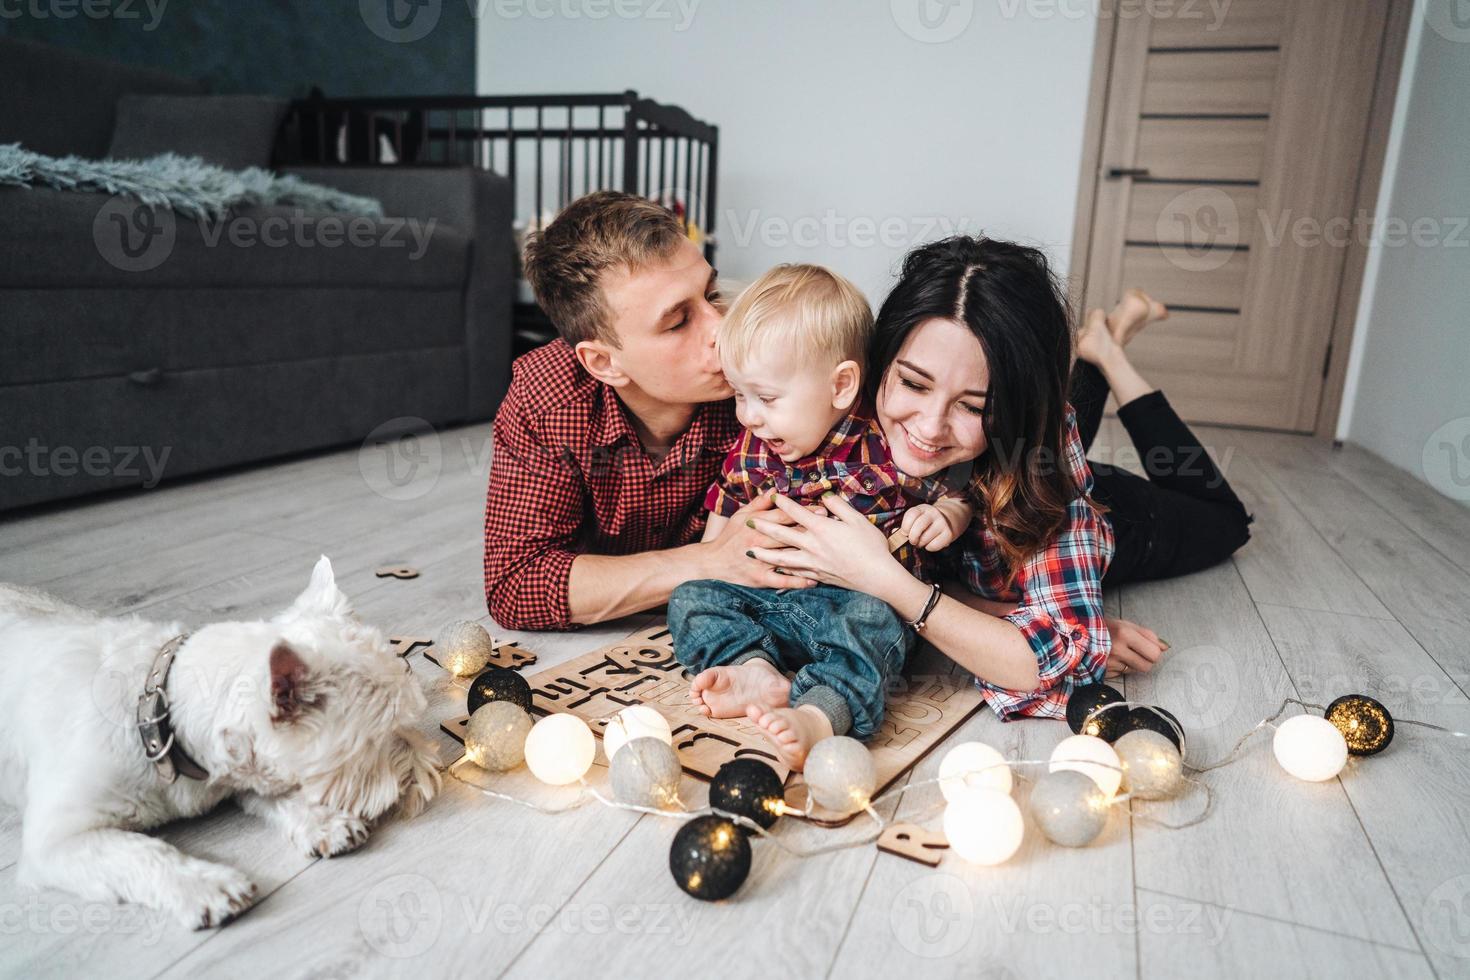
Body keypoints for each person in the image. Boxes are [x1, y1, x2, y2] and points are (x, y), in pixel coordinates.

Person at [741, 237, 1252, 717]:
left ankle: (1112, 356)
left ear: (1013, 412)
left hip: (1107, 513)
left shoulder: (1043, 461)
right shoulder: (839, 396)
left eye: (972, 405)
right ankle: (1099, 342)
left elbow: (1063, 668)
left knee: (1226, 523)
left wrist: (885, 580)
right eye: (914, 384)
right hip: (998, 465)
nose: (928, 426)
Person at [666, 264, 973, 768]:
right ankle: (755, 671)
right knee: (691, 599)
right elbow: (725, 502)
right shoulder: (754, 446)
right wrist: (710, 561)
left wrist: (947, 515)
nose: (747, 415)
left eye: (764, 398)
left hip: (850, 608)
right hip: (769, 603)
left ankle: (820, 713)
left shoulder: (883, 446)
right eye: (740, 396)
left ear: (841, 386)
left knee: (873, 624)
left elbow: (954, 491)